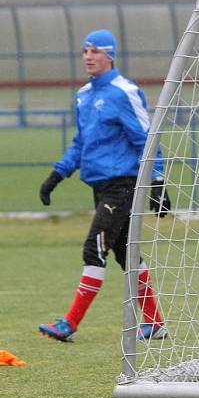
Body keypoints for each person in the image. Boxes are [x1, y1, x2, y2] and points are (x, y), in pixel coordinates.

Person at [38, 29, 171, 342]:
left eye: (96, 51)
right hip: (100, 186)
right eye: (85, 51)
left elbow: (146, 139)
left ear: (110, 55)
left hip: (123, 184)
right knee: (127, 254)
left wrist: (158, 181)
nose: (88, 57)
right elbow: (81, 143)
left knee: (93, 249)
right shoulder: (84, 95)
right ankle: (155, 322)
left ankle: (69, 323)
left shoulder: (124, 92)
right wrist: (56, 175)